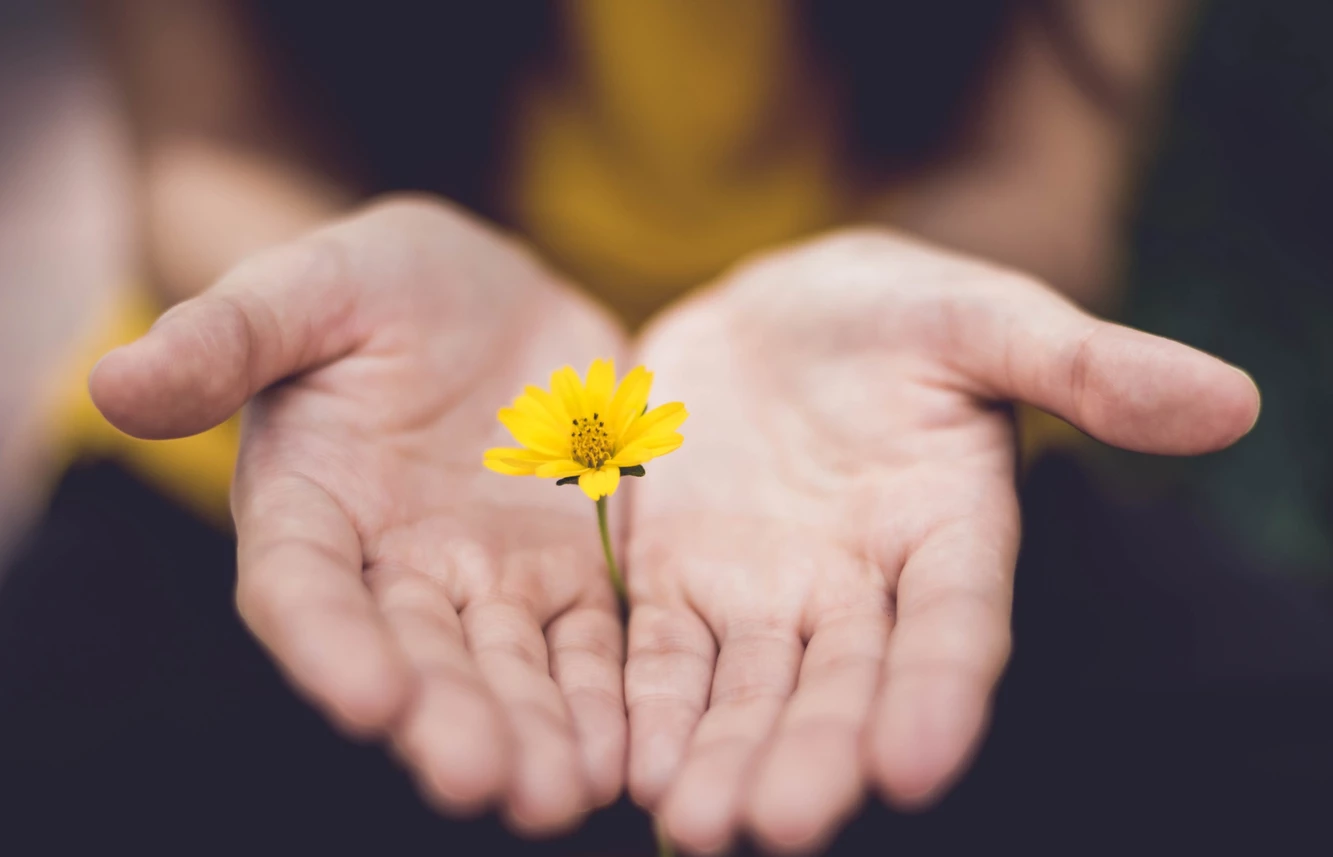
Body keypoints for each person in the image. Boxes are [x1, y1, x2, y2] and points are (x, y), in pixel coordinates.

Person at [3, 2, 1330, 854]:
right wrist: (307, 294)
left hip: (880, 465)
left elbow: (1039, 174)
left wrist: (917, 290)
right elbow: (208, 144)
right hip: (354, 449)